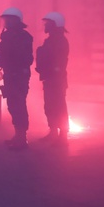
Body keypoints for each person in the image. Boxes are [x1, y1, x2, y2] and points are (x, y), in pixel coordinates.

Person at [0, 7, 34, 151]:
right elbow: (4, 52)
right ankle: (18, 136)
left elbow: (24, 58)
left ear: (16, 20)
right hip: (11, 74)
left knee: (18, 105)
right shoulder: (7, 36)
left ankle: (22, 138)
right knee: (12, 105)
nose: (6, 23)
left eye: (9, 20)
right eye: (5, 20)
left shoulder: (23, 37)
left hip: (18, 76)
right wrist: (0, 60)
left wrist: (6, 61)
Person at [35, 11, 70, 146]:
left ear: (55, 25)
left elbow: (59, 61)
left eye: (47, 24)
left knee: (59, 107)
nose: (45, 26)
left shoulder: (60, 41)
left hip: (56, 79)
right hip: (50, 78)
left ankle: (62, 136)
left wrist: (52, 71)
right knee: (49, 106)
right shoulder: (51, 40)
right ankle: (53, 132)